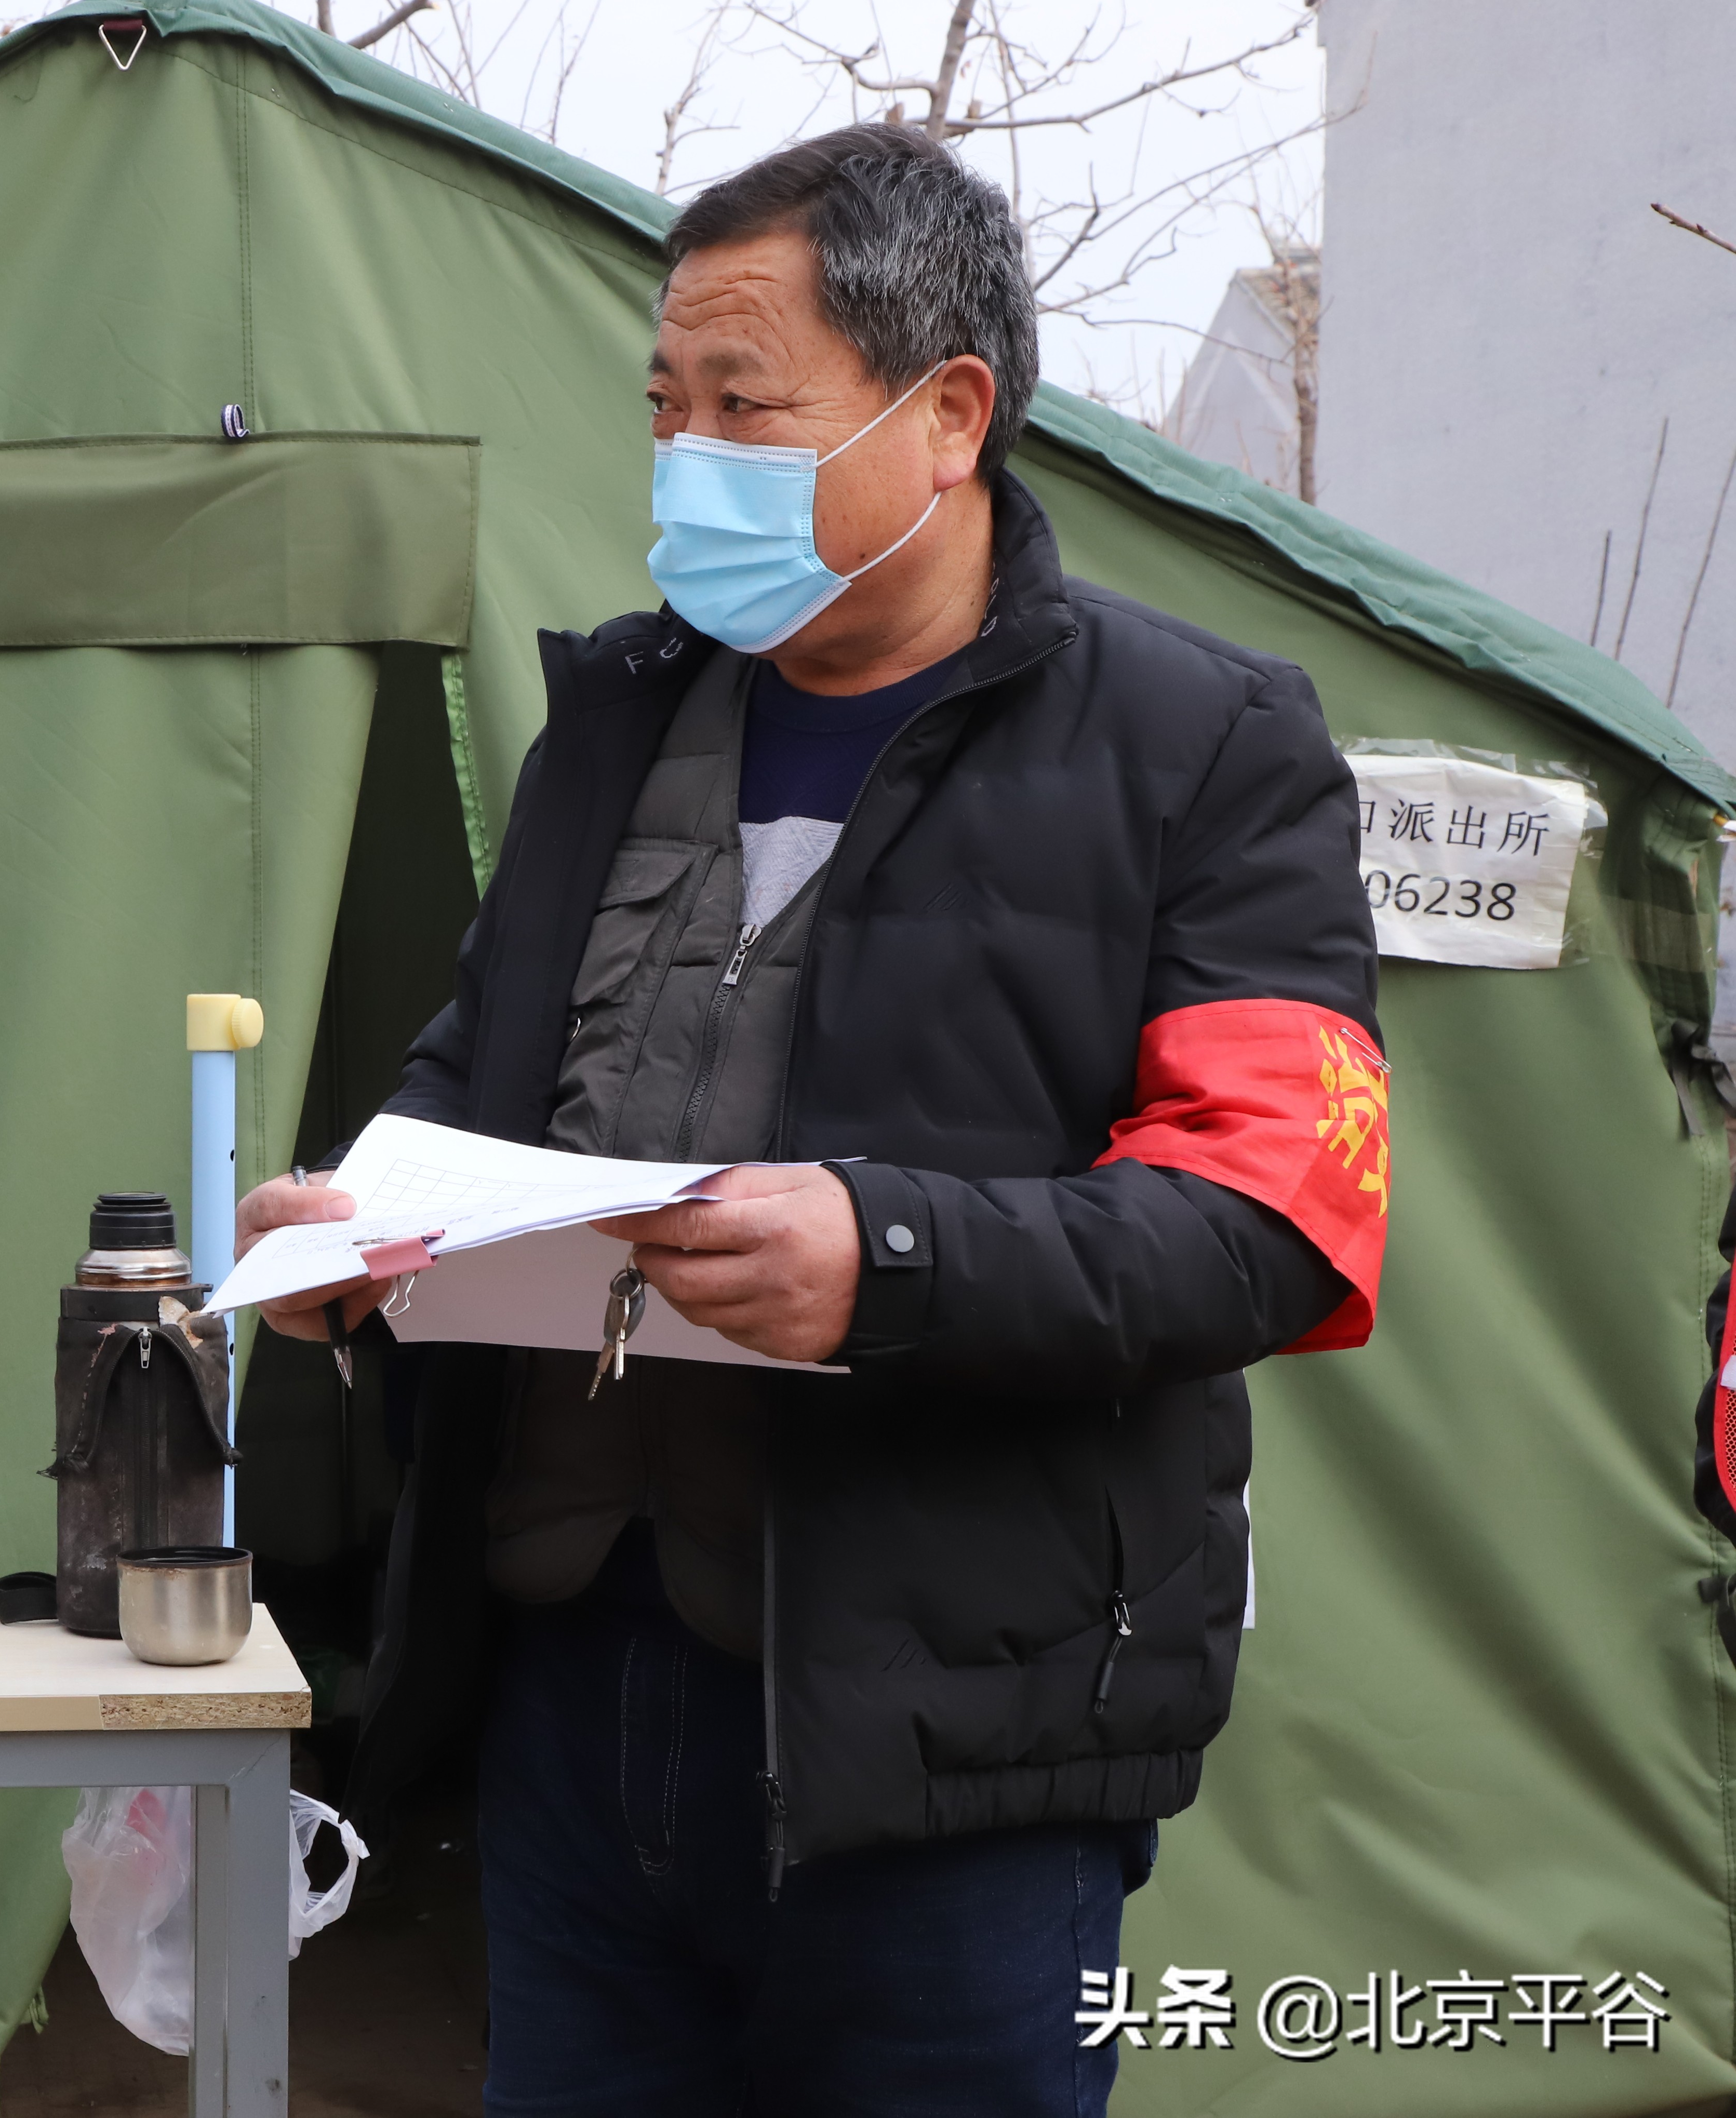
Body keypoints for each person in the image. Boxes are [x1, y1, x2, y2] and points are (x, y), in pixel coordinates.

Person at [241, 126, 1387, 2115]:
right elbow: (484, 1066)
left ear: (950, 415)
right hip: (572, 1686)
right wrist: (358, 1212)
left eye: (744, 404)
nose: (686, 454)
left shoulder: (1208, 746)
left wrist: (895, 1257)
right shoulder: (616, 715)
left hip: (955, 1737)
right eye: (664, 405)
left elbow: (1269, 1222)